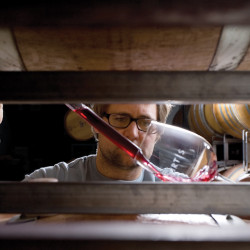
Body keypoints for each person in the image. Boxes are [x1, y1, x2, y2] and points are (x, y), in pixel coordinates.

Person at [23, 103, 171, 182]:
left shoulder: (177, 188)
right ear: (96, 125)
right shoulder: (49, 181)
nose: (132, 134)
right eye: (120, 119)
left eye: (146, 123)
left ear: (158, 133)